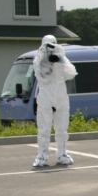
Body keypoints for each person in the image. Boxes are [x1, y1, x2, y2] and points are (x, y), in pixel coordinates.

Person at [32, 34, 77, 167]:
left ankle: (62, 154)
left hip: (61, 97)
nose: (50, 49)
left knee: (62, 128)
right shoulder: (38, 60)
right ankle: (41, 156)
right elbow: (41, 77)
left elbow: (71, 73)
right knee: (44, 129)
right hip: (46, 97)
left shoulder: (61, 58)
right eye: (47, 46)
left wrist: (61, 59)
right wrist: (46, 61)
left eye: (52, 45)